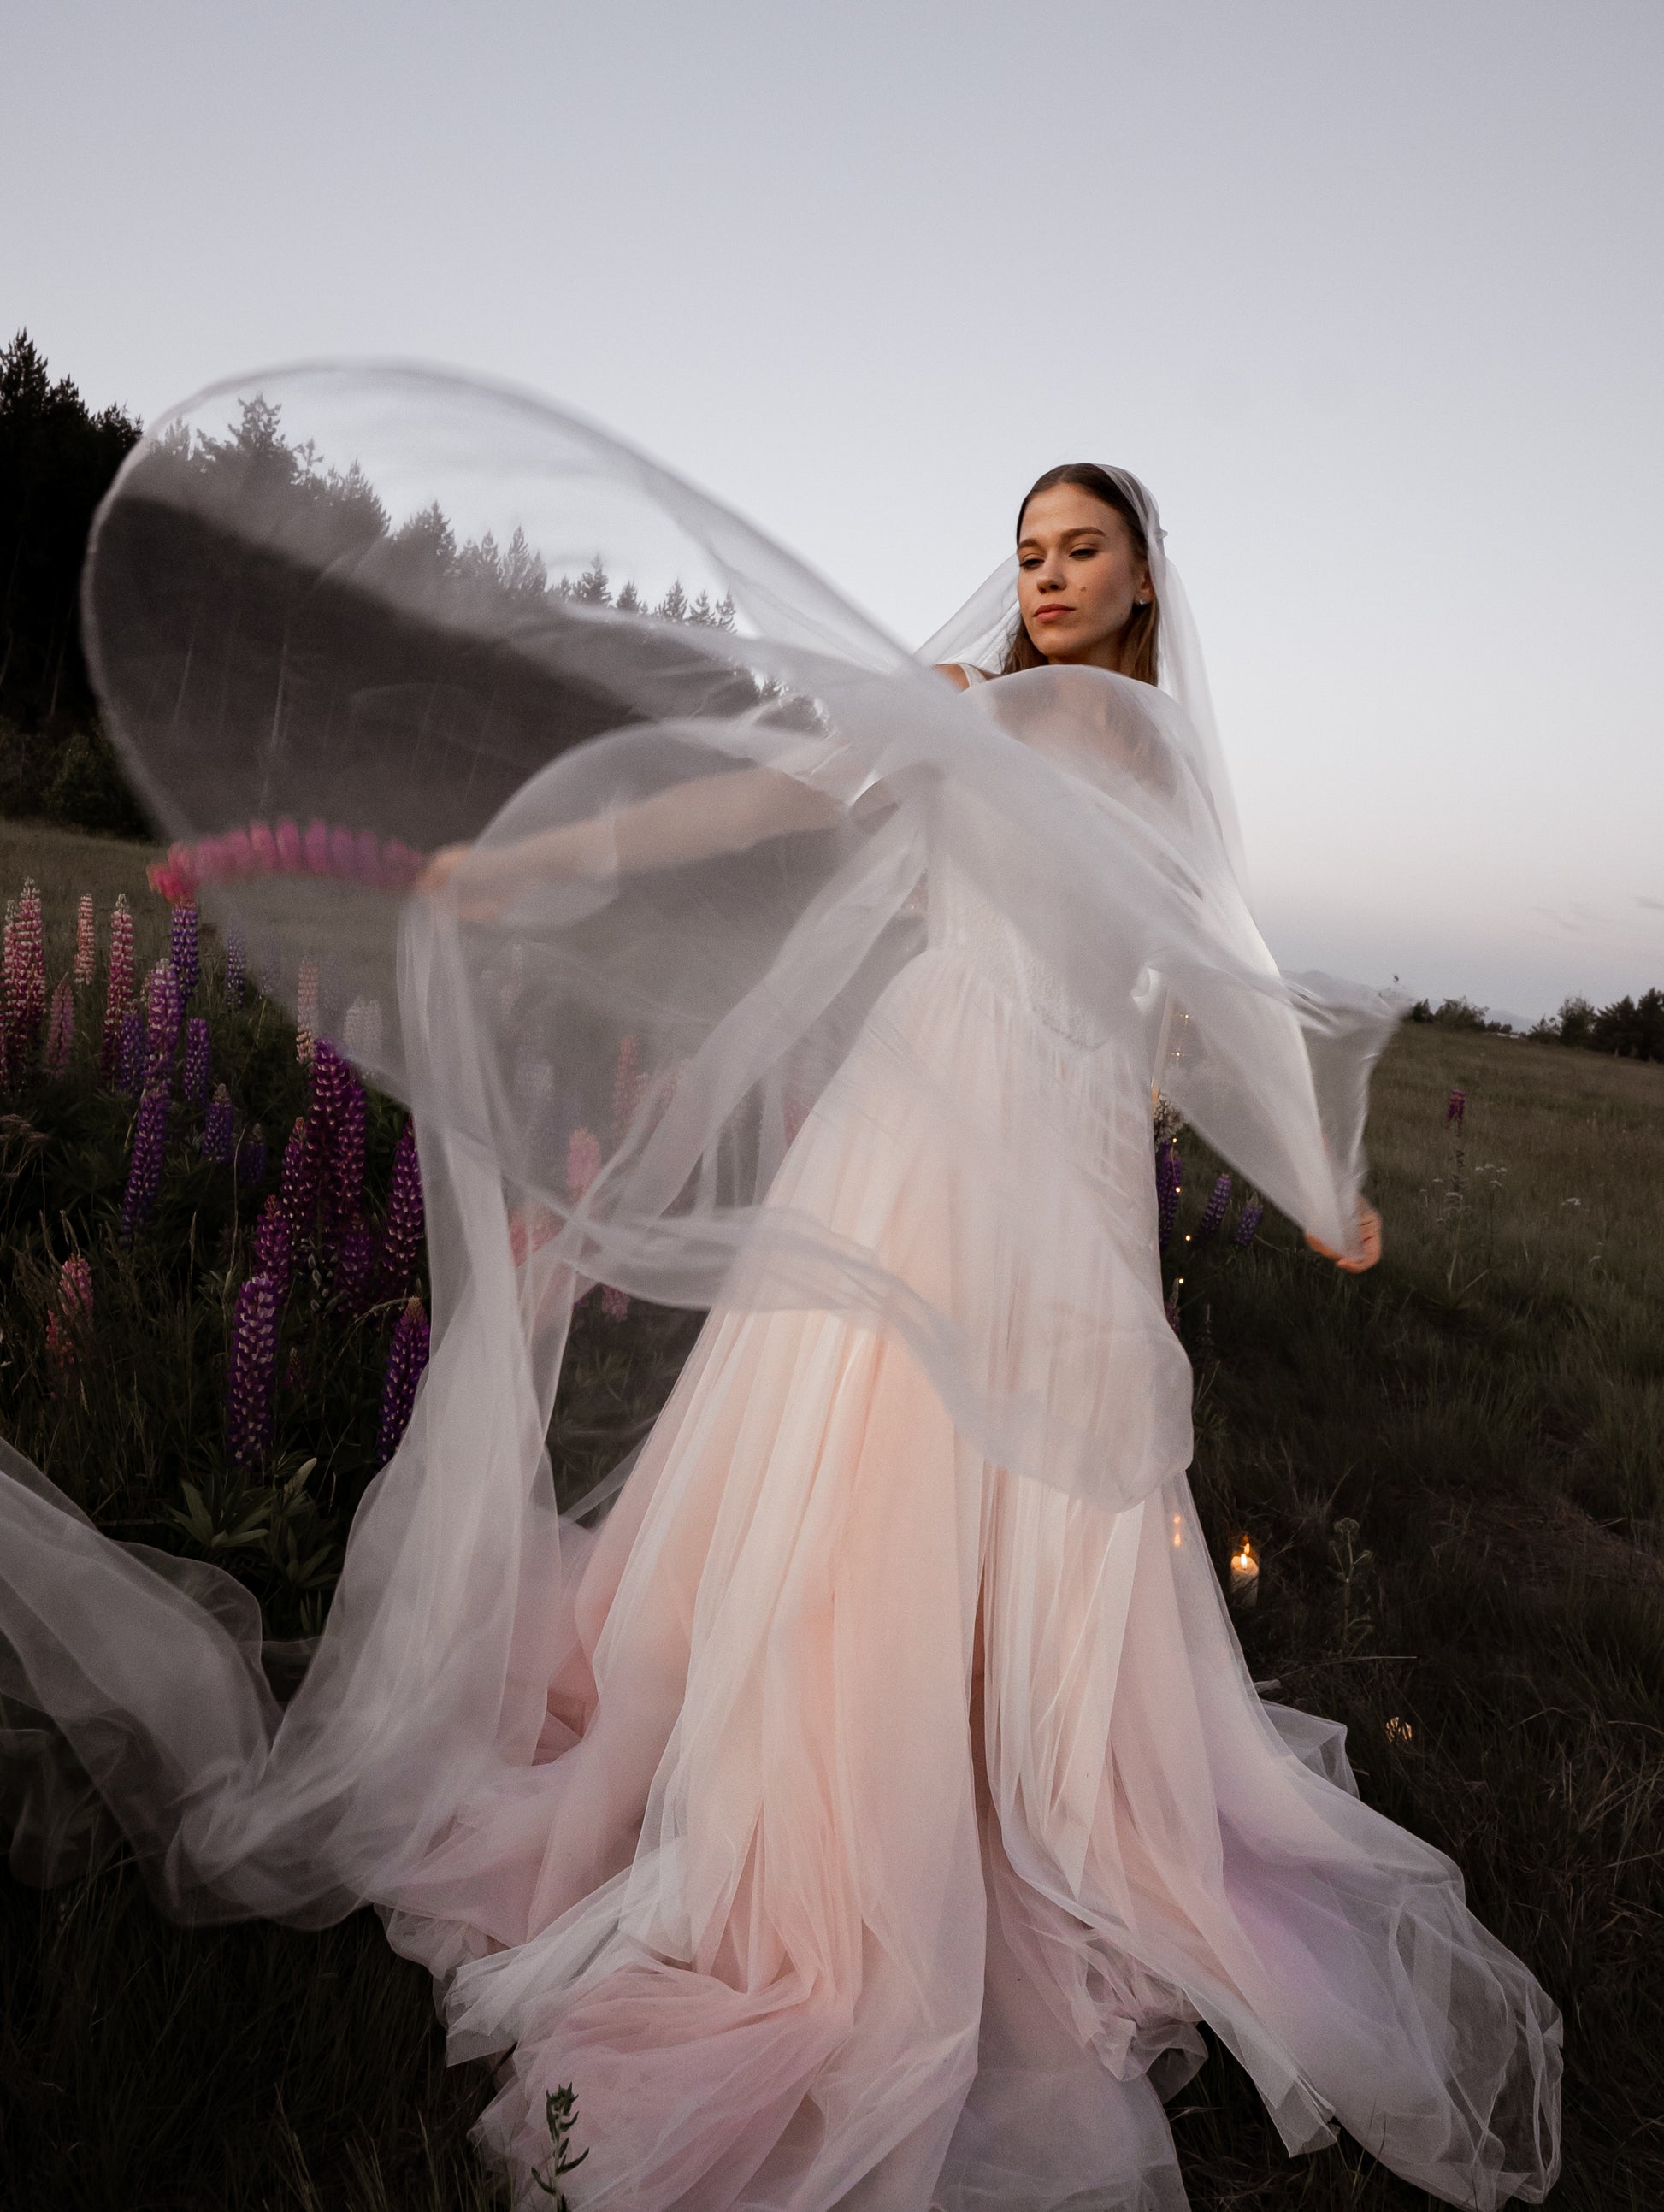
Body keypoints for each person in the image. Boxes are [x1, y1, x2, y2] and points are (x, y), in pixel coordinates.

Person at [0, 369, 1555, 2211]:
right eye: (1028, 549)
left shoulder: (1150, 756)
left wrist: (1312, 1179)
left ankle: (1014, 1746)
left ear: (1146, 575)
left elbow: (1213, 972)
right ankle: (840, 1760)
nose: (1045, 574)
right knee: (869, 1442)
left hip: (1067, 1153)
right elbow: (748, 801)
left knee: (1050, 1469)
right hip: (935, 1113)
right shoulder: (966, 707)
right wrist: (537, 856)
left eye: (1080, 548)